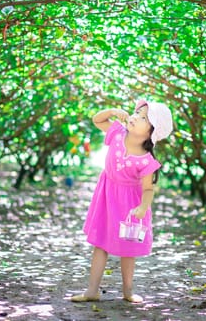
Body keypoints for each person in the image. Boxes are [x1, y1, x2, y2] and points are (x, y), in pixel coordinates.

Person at [70, 99, 173, 303]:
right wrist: (113, 111)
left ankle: (128, 290)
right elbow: (97, 120)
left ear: (151, 132)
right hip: (107, 197)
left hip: (129, 206)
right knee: (100, 244)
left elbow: (148, 189)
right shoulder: (118, 133)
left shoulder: (146, 160)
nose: (134, 116)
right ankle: (92, 290)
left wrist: (143, 206)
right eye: (136, 112)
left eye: (143, 117)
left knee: (128, 249)